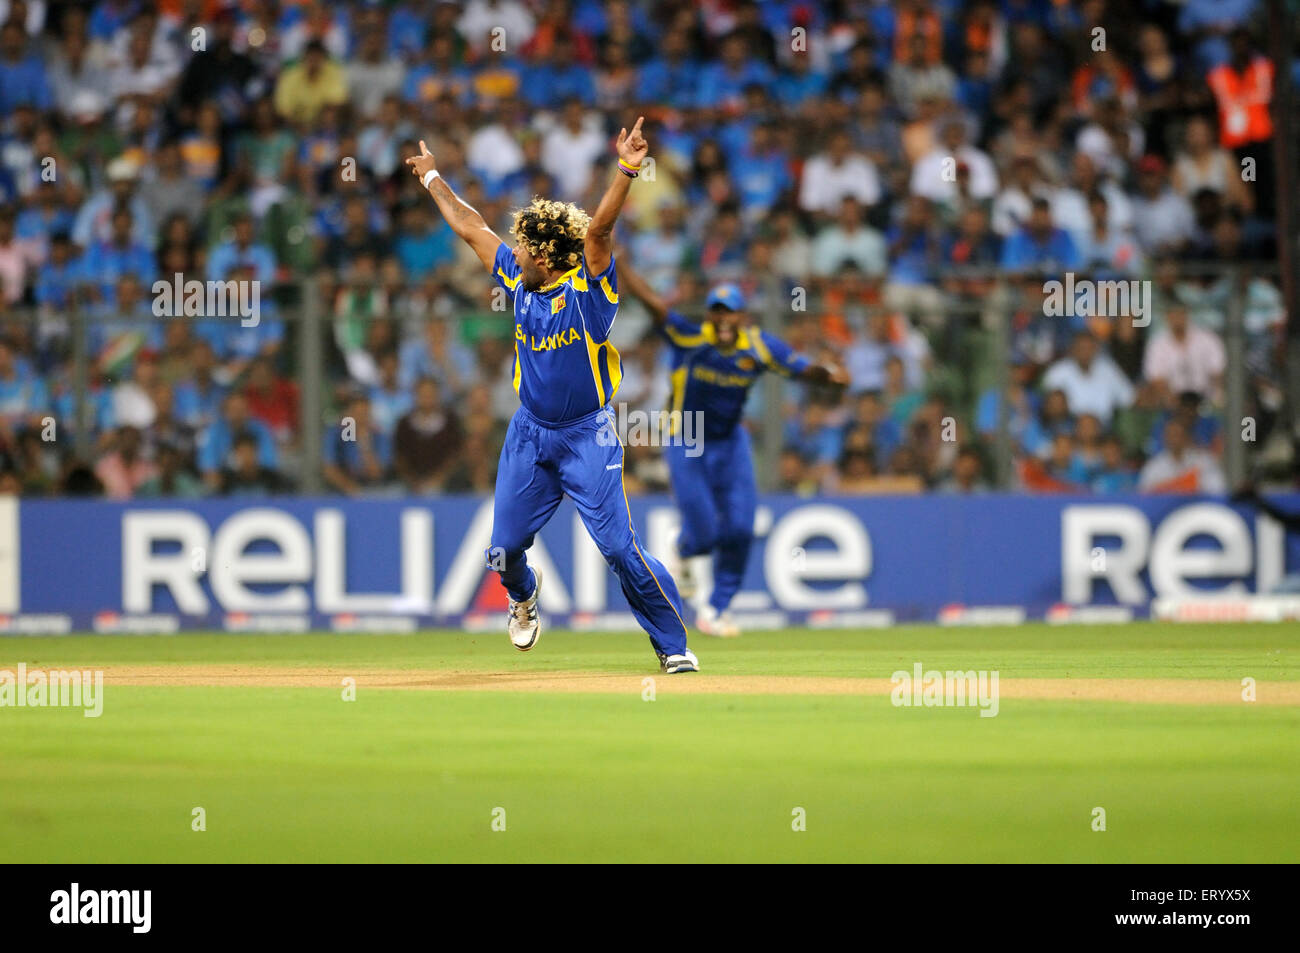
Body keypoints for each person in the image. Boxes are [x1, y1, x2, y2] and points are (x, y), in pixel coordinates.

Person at [404, 118, 698, 674]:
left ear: (548, 255)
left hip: (589, 434)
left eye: (524, 248)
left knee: (619, 550)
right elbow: (471, 228)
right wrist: (433, 178)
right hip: (530, 433)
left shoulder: (590, 291)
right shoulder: (520, 278)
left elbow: (600, 234)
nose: (515, 253)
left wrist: (627, 171)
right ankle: (524, 593)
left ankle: (673, 647)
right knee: (503, 552)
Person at [620, 261, 847, 637]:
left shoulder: (759, 347)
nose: (723, 320)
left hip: (730, 440)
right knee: (705, 532)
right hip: (686, 436)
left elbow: (802, 369)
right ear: (709, 315)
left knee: (741, 528)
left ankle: (717, 609)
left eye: (730, 312)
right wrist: (623, 266)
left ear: (742, 316)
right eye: (717, 312)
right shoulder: (690, 338)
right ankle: (685, 549)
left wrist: (833, 376)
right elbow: (654, 305)